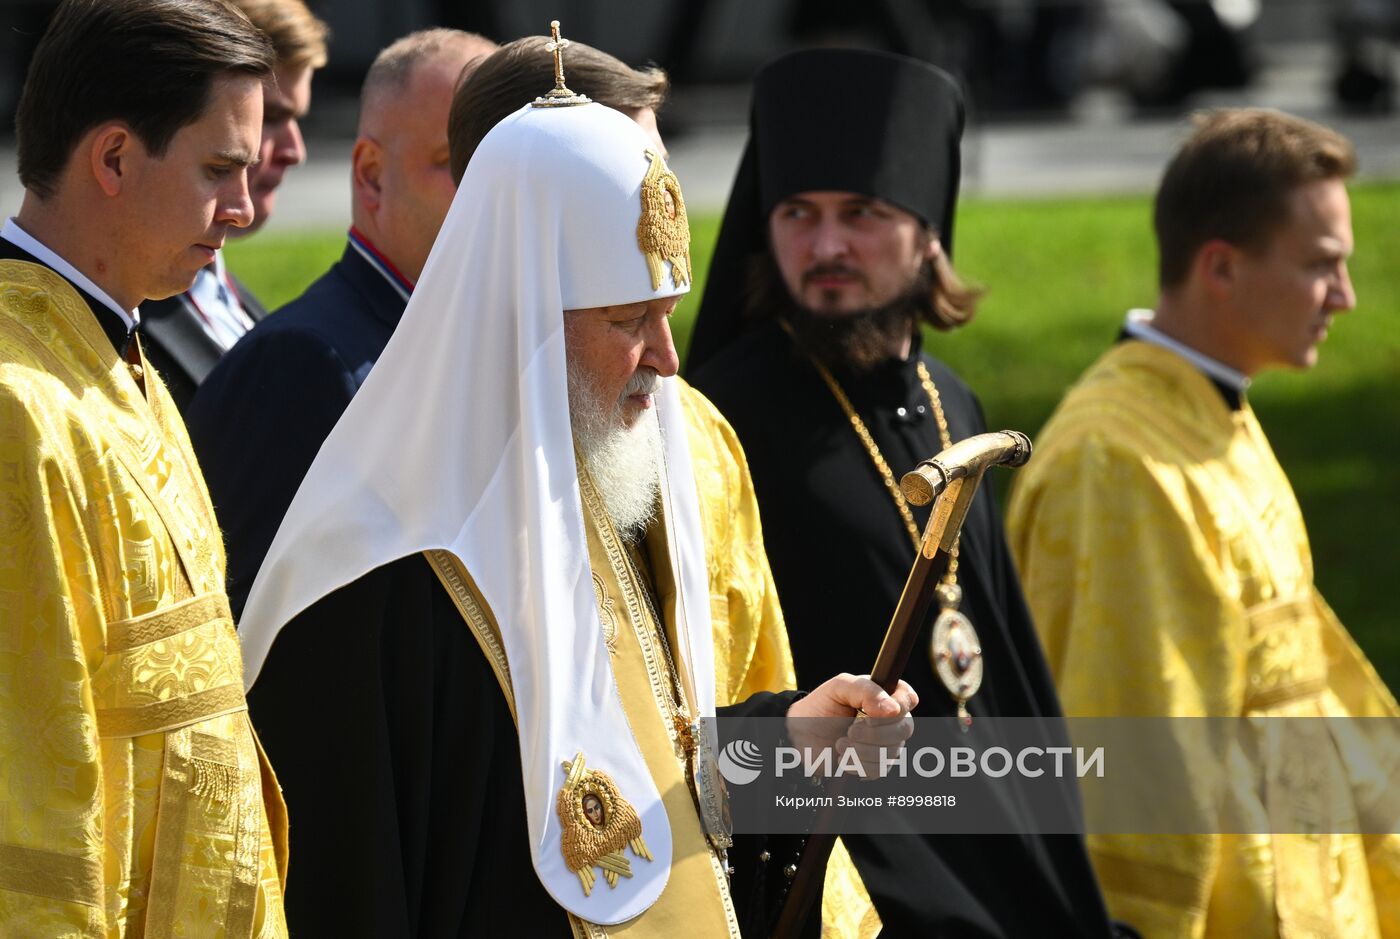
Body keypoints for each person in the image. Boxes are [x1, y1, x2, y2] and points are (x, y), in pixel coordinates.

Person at [236, 65, 917, 936]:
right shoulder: (372, 580)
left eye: (669, 314)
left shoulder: (605, 485)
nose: (668, 361)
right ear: (522, 313)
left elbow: (648, 775)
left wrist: (781, 744)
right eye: (630, 320)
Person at [687, 48, 1119, 937]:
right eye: (797, 214)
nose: (826, 245)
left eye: (862, 214)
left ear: (927, 234)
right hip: (857, 874)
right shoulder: (724, 418)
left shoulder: (950, 398)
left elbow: (1000, 670)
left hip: (987, 839)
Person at [1006, 109, 1400, 938]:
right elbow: (1132, 751)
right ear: (1220, 266)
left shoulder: (1213, 410)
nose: (1346, 296)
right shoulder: (1115, 462)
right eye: (1322, 265)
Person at [0, 0, 287, 933]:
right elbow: (30, 766)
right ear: (115, 158)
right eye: (219, 170)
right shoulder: (17, 401)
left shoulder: (116, 352)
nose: (244, 209)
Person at [187, 27, 496, 616]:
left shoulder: (481, 343)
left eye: (504, 166)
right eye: (457, 162)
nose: (491, 191)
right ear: (374, 175)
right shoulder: (300, 367)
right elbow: (256, 643)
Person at [140, 0, 329, 411]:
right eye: (272, 118)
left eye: (299, 120)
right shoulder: (121, 305)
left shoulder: (230, 295)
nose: (295, 151)